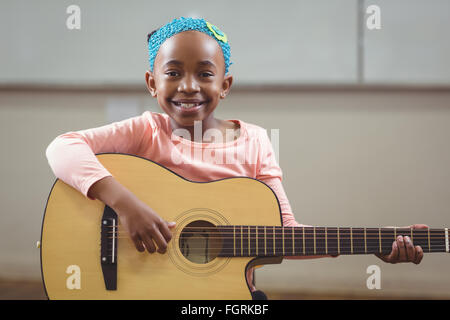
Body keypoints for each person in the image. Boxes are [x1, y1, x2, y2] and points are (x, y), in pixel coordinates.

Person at [46, 17, 427, 298]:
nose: (189, 86)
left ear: (224, 85)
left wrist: (373, 244)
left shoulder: (256, 141)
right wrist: (127, 205)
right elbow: (63, 147)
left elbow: (285, 234)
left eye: (205, 74)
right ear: (152, 83)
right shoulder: (147, 130)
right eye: (173, 73)